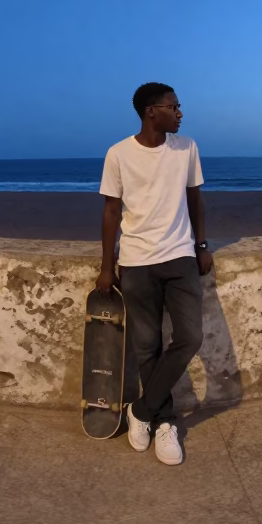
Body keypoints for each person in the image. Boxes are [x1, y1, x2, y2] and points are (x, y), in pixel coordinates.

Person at [97, 82, 212, 466]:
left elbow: (194, 198)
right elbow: (111, 211)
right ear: (151, 111)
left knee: (190, 336)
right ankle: (164, 422)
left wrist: (201, 245)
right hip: (136, 261)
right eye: (173, 107)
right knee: (146, 347)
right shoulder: (118, 153)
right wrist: (106, 266)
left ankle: (140, 411)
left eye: (179, 107)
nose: (180, 113)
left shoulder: (187, 148)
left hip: (179, 256)